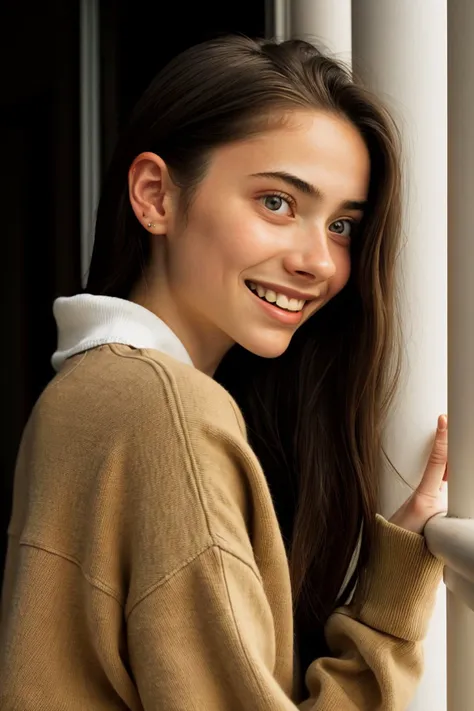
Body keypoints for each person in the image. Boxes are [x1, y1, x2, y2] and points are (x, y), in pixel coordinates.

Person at [0, 35, 448, 710]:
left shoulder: (82, 394)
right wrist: (388, 613)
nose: (319, 262)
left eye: (343, 226)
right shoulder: (167, 413)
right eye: (277, 202)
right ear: (155, 195)